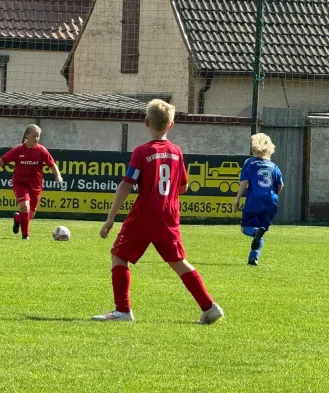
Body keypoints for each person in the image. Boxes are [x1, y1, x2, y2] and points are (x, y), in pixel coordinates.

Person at [92, 99, 224, 324]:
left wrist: (110, 217)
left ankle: (122, 311)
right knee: (178, 261)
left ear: (146, 122)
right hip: (169, 214)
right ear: (171, 125)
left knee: (119, 256)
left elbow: (127, 183)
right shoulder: (176, 151)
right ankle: (209, 306)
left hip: (145, 214)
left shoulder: (142, 151)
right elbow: (183, 186)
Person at [0, 124, 63, 240]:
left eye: (38, 136)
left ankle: (18, 218)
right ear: (26, 135)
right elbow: (3, 161)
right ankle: (25, 236)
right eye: (34, 136)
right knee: (24, 206)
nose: (36, 138)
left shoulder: (41, 150)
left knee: (31, 214)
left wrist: (58, 175)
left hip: (35, 185)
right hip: (20, 183)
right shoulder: (18, 150)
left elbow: (51, 164)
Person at [234, 133, 284, 266]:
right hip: (270, 201)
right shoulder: (274, 166)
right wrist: (272, 195)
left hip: (254, 200)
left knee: (245, 228)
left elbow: (244, 181)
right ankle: (253, 258)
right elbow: (280, 185)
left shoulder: (249, 163)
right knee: (261, 231)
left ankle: (255, 232)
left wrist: (238, 198)